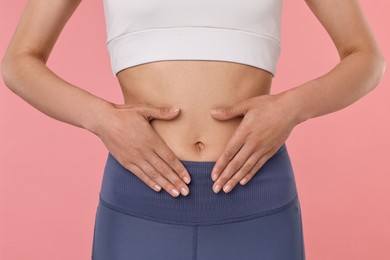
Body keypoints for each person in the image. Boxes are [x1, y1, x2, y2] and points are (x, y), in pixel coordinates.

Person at [1, 0, 385, 259]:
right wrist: (101, 118)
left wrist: (290, 109)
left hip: (257, 194)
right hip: (141, 193)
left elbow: (366, 57)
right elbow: (19, 61)